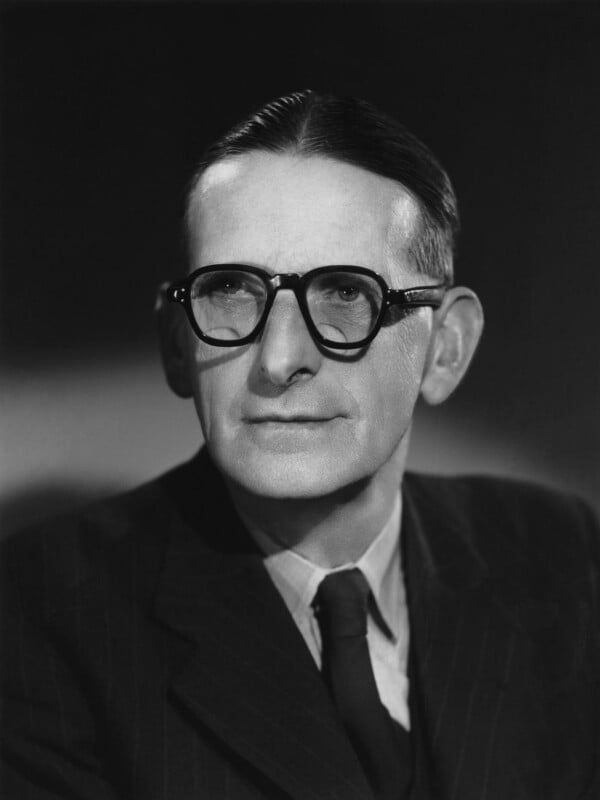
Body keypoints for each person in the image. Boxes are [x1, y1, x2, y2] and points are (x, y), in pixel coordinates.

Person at [1, 90, 599, 800]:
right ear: (176, 345)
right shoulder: (35, 617)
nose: (279, 361)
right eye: (231, 290)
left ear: (445, 348)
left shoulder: (561, 553)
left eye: (345, 293)